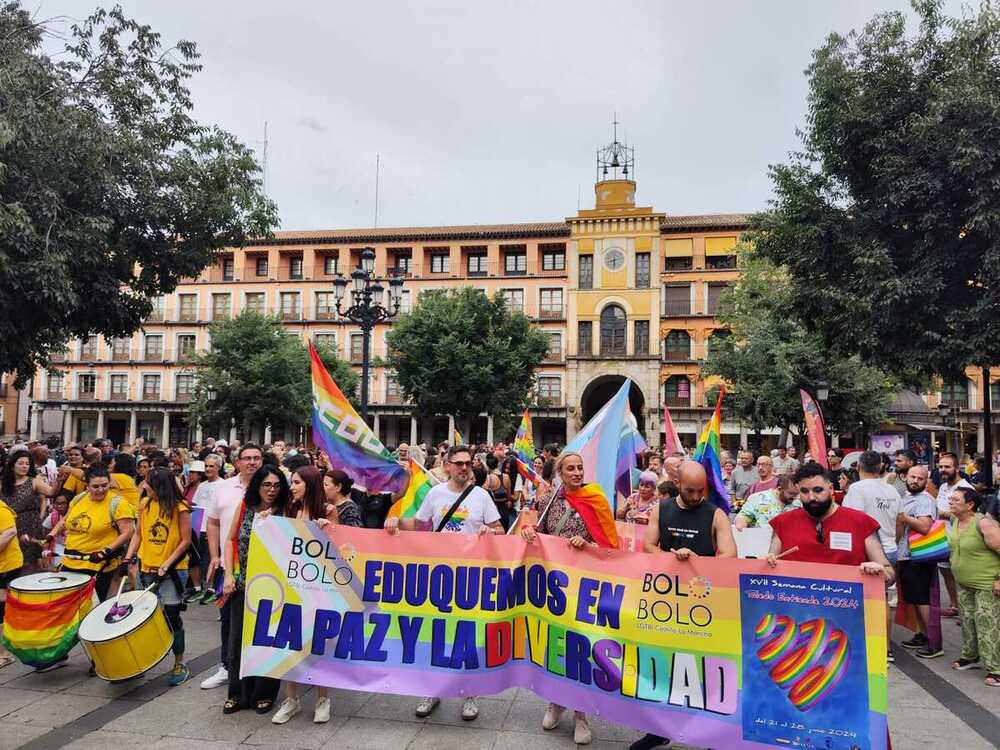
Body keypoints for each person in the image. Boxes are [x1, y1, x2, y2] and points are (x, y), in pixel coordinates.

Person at [385, 444, 502, 722]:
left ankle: (470, 693)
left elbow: (499, 529)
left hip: (471, 576)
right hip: (440, 575)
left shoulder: (482, 496)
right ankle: (432, 690)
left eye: (468, 463)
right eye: (458, 463)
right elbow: (419, 524)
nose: (464, 468)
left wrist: (491, 530)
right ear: (447, 465)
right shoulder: (436, 494)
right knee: (436, 632)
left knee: (468, 634)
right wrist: (395, 521)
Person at [631, 462, 736, 750]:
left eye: (700, 490)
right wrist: (670, 555)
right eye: (689, 490)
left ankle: (707, 731)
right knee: (662, 665)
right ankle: (658, 729)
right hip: (666, 599)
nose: (695, 496)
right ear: (678, 484)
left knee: (700, 667)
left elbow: (729, 554)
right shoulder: (661, 509)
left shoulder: (716, 514)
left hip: (701, 601)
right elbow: (649, 546)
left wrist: (695, 561)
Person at [521, 452, 619, 745]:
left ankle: (581, 714)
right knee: (553, 644)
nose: (577, 473)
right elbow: (533, 525)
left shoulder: (596, 499)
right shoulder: (548, 498)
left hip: (583, 587)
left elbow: (610, 545)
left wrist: (587, 544)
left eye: (580, 468)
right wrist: (527, 530)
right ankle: (555, 702)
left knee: (580, 648)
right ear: (560, 472)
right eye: (570, 469)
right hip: (553, 586)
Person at [271, 466, 339, 724]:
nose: (292, 487)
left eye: (297, 482)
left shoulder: (329, 512)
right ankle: (292, 699)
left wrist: (327, 529)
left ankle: (323, 699)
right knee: (290, 644)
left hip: (320, 590)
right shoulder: (288, 511)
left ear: (309, 484)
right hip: (290, 586)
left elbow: (341, 551)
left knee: (318, 644)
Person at [222, 466, 286, 714]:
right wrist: (228, 573)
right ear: (257, 486)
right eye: (267, 485)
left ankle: (265, 693)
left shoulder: (285, 512)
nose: (271, 490)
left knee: (268, 639)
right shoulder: (245, 508)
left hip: (275, 588)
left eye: (276, 486)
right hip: (243, 583)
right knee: (237, 639)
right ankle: (237, 692)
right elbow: (231, 540)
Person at [201, 444, 263, 690]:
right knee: (228, 619)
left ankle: (256, 669)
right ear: (237, 463)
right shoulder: (223, 488)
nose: (252, 463)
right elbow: (213, 523)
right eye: (247, 458)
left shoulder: (271, 487)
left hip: (263, 567)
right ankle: (227, 666)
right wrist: (214, 555)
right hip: (230, 566)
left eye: (257, 458)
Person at [124, 467, 192, 686]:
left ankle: (179, 662)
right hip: (147, 568)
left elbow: (185, 540)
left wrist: (167, 563)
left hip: (172, 570)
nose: (144, 487)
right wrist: (128, 557)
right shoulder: (145, 504)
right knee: (146, 617)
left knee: (172, 616)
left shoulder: (180, 508)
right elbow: (138, 534)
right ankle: (143, 659)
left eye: (148, 483)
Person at [46, 465, 135, 600]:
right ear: (87, 486)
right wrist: (52, 534)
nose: (101, 490)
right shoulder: (79, 499)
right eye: (95, 486)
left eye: (105, 485)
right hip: (71, 561)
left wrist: (105, 551)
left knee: (95, 607)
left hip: (99, 565)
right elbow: (66, 520)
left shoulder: (118, 503)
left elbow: (128, 532)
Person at [946, 486, 1000, 687]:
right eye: (950, 499)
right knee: (968, 621)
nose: (951, 502)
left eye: (956, 500)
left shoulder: (984, 523)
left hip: (986, 583)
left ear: (970, 505)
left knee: (988, 625)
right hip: (964, 582)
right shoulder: (955, 520)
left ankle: (996, 669)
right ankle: (971, 656)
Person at [895, 465, 941, 658]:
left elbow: (924, 526)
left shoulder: (925, 501)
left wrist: (905, 518)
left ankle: (934, 642)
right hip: (905, 555)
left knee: (922, 599)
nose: (915, 481)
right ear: (906, 477)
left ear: (925, 481)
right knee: (913, 598)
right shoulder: (905, 497)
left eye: (920, 479)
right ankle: (922, 634)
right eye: (912, 477)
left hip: (919, 557)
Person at [2, 449, 59, 571]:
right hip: (10, 525)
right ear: (12, 465)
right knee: (12, 561)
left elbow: (51, 492)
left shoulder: (34, 481)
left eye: (27, 464)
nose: (24, 466)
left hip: (31, 525)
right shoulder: (3, 484)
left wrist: (59, 480)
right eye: (21, 463)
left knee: (30, 562)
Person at [933, 452, 973, 617]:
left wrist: (945, 514)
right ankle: (954, 606)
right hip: (943, 539)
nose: (943, 470)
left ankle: (967, 611)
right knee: (946, 573)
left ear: (956, 468)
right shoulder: (943, 487)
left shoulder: (965, 488)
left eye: (947, 467)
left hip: (960, 540)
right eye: (941, 467)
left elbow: (971, 517)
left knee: (962, 575)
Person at [186, 454, 224, 604]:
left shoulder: (223, 485)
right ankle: (197, 588)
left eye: (211, 466)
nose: (208, 469)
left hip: (213, 528)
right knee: (195, 559)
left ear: (218, 468)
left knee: (211, 560)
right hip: (197, 527)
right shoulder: (201, 486)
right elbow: (196, 505)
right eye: (206, 466)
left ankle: (212, 589)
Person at [0, 491, 24, 669]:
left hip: (6, 566)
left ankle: (4, 654)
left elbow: (10, 533)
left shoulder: (2, 510)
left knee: (2, 607)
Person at [734, 474, 801, 529]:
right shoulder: (757, 498)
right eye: (791, 493)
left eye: (797, 493)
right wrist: (741, 525)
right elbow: (744, 517)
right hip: (762, 541)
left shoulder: (798, 503)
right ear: (779, 489)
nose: (796, 497)